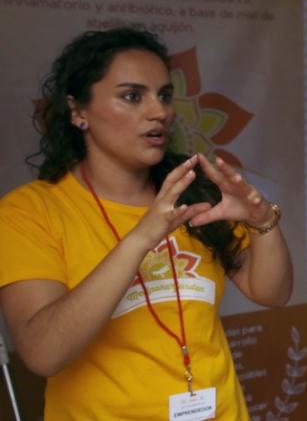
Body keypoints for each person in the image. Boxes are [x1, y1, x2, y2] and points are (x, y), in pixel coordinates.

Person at [0, 27, 292, 419]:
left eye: (164, 96)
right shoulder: (30, 212)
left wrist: (262, 223)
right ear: (78, 111)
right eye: (132, 96)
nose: (159, 112)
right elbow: (43, 353)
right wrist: (141, 237)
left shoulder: (195, 195)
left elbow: (271, 292)